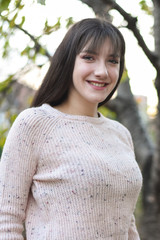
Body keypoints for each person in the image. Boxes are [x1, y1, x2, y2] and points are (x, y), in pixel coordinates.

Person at [0, 18, 142, 239]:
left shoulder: (121, 134)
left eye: (112, 61)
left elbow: (126, 222)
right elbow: (6, 222)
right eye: (89, 57)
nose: (102, 71)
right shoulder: (34, 124)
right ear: (68, 61)